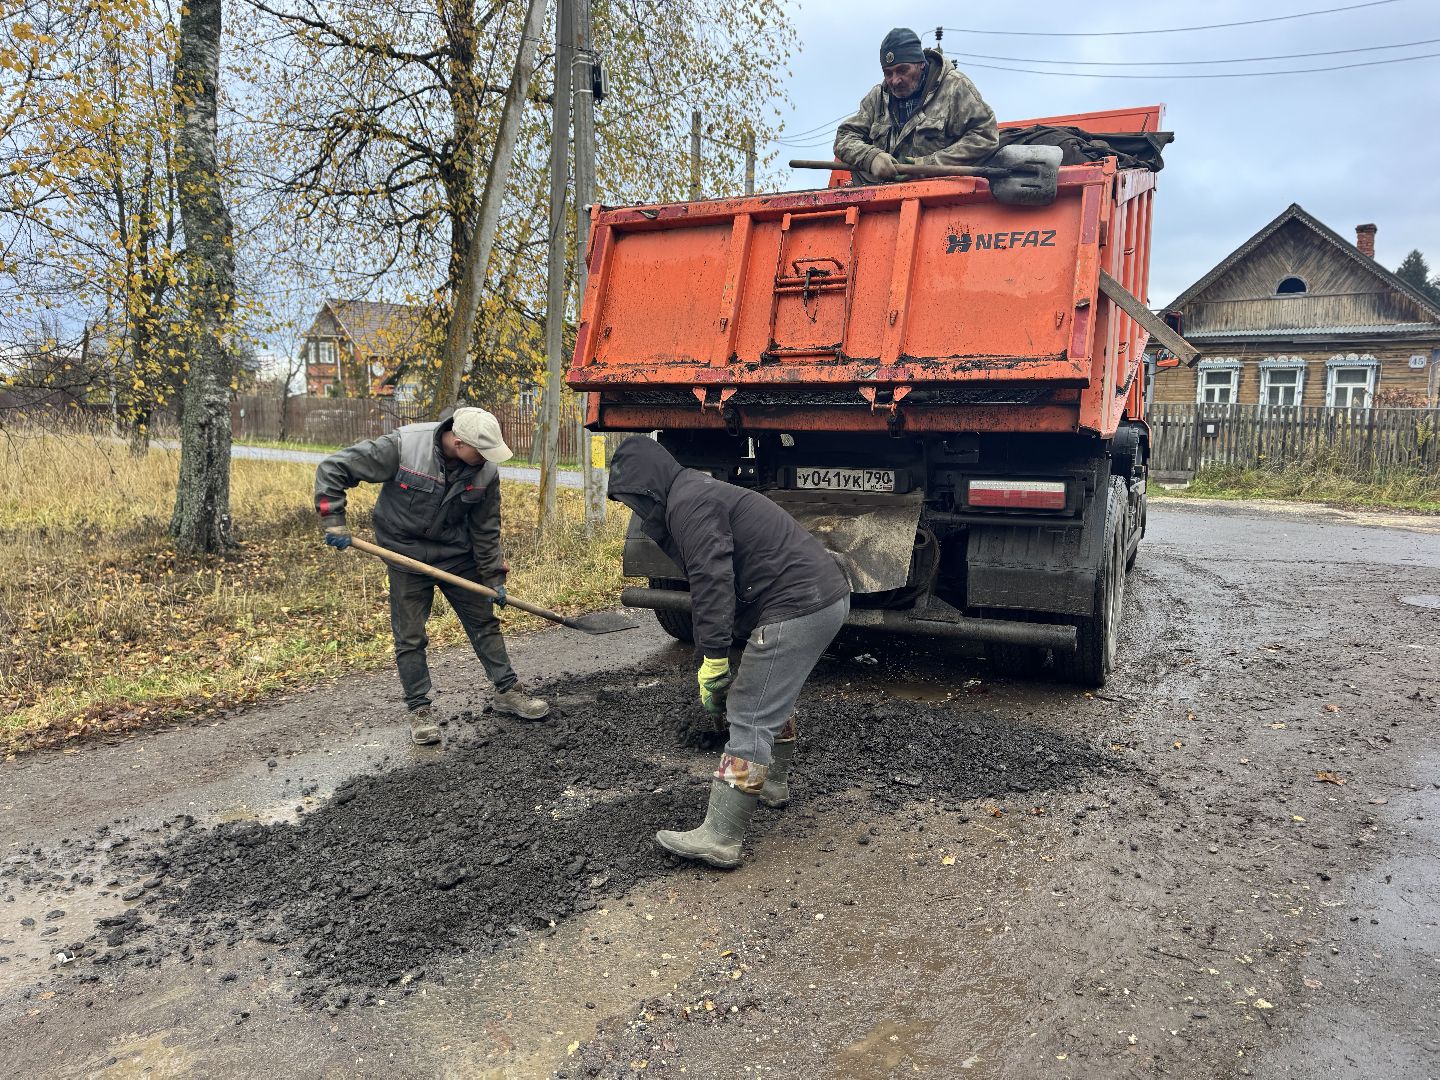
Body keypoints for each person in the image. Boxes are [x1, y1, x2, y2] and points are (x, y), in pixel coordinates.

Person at [607, 437, 851, 869]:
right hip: (820, 598)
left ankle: (721, 835)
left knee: (750, 711)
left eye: (633, 500)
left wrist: (714, 658)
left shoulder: (691, 503)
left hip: (799, 604)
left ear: (648, 486)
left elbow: (712, 580)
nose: (636, 511)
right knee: (770, 694)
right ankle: (772, 783)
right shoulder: (694, 493)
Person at [315, 407, 549, 745]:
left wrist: (494, 576)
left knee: (483, 622)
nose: (486, 459)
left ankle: (507, 691)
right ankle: (419, 710)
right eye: (480, 452)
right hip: (404, 553)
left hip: (457, 555)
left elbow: (486, 528)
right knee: (410, 636)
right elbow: (333, 468)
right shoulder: (404, 447)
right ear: (457, 442)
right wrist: (332, 519)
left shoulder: (485, 471)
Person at [833, 27, 998, 185]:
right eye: (888, 73)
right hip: (881, 201)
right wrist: (871, 157)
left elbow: (985, 136)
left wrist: (928, 165)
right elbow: (844, 137)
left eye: (902, 70)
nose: (895, 80)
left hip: (941, 200)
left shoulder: (954, 88)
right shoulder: (877, 97)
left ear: (921, 63)